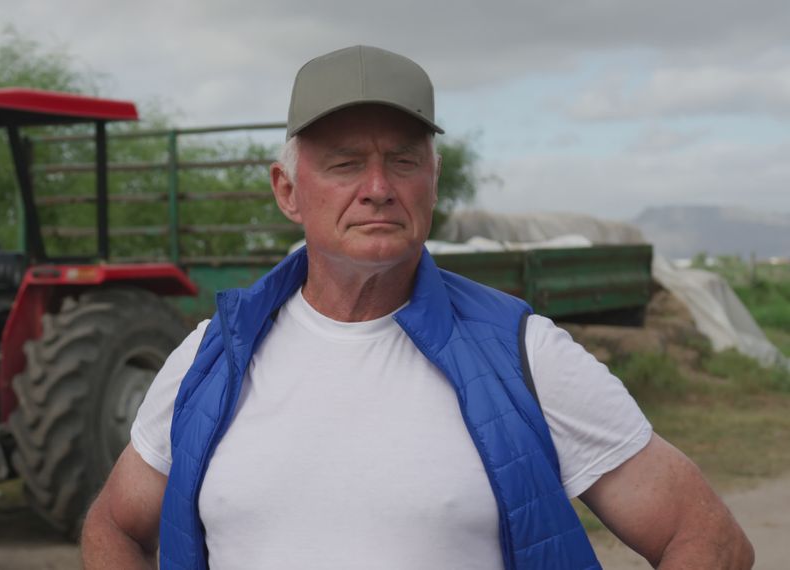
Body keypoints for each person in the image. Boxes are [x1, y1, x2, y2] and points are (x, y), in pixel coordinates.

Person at [82, 45, 753, 569]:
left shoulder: (523, 354)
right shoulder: (212, 356)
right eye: (345, 164)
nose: (378, 188)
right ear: (287, 190)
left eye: (403, 161)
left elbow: (708, 539)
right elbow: (114, 525)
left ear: (432, 182)